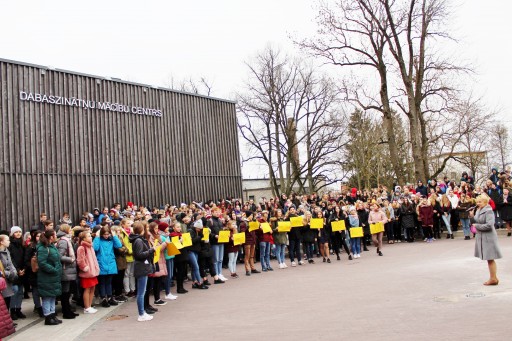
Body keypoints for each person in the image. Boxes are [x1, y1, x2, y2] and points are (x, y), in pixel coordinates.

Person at [469, 194, 502, 286]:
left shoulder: (488, 211)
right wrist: (471, 216)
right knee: (489, 259)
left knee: (490, 258)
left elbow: (489, 225)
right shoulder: (479, 210)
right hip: (482, 236)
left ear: (485, 202)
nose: (478, 203)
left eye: (480, 202)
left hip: (489, 237)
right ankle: (493, 278)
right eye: (477, 202)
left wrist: (477, 226)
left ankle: (493, 278)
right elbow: (475, 222)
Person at [129, 222, 155, 322]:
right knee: (141, 292)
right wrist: (151, 250)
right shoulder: (138, 240)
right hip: (141, 267)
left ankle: (143, 312)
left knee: (142, 292)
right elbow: (139, 255)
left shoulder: (138, 239)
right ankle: (141, 313)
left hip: (142, 266)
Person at [37, 229, 63, 326]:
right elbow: (42, 263)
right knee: (47, 297)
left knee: (52, 296)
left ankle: (52, 315)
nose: (56, 236)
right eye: (55, 234)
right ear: (51, 236)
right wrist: (54, 270)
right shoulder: (43, 248)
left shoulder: (51, 246)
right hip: (46, 277)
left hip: (53, 277)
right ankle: (48, 317)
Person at [93, 226, 123, 307]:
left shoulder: (111, 239)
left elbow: (119, 245)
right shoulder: (99, 239)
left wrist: (114, 235)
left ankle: (110, 297)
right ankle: (103, 298)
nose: (106, 236)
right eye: (105, 234)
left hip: (110, 262)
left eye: (107, 234)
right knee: (102, 282)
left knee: (109, 282)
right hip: (101, 262)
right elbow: (95, 248)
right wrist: (97, 237)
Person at [56, 224, 79, 319]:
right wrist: (71, 259)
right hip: (65, 269)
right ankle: (66, 312)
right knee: (65, 292)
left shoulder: (67, 240)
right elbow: (59, 256)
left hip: (69, 269)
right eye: (70, 229)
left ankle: (68, 310)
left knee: (68, 291)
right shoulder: (63, 241)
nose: (71, 231)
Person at [76, 231, 100, 314]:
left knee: (92, 288)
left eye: (90, 236)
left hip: (92, 271)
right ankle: (86, 307)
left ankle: (89, 305)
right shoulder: (81, 248)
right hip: (87, 272)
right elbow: (80, 260)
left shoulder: (90, 246)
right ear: (84, 238)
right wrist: (85, 268)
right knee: (87, 289)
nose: (90, 237)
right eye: (88, 236)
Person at [7, 226, 26, 320]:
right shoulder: (10, 245)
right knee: (14, 291)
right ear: (12, 233)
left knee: (20, 292)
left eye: (19, 232)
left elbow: (25, 258)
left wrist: (24, 269)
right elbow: (11, 259)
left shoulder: (22, 244)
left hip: (22, 271)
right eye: (16, 232)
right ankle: (13, 310)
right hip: (14, 271)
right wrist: (18, 270)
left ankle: (18, 309)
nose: (18, 233)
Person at [0, 235, 18, 315]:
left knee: (8, 299)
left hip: (9, 279)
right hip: (2, 279)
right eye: (7, 240)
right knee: (3, 302)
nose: (9, 241)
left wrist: (14, 272)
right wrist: (8, 273)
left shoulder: (6, 250)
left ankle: (7, 320)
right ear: (1, 242)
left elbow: (10, 263)